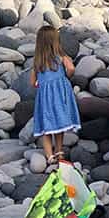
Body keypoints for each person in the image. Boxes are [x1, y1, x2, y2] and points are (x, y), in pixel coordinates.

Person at [31, 26, 80, 167]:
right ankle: (59, 151)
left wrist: (42, 86)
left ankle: (49, 156)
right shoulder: (62, 58)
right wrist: (65, 78)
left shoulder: (37, 62)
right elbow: (71, 69)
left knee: (46, 126)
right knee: (60, 123)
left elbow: (32, 82)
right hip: (60, 94)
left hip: (45, 97)